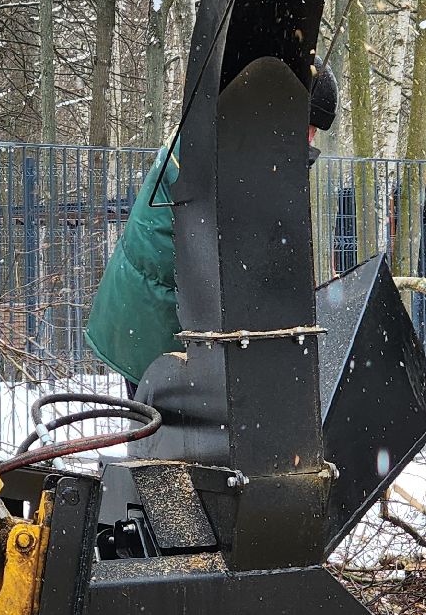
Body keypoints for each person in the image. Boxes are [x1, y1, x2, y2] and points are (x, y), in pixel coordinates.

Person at [85, 62, 339, 387]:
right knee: (162, 428)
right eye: (309, 126)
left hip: (154, 316)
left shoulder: (229, 132)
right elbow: (235, 254)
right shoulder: (221, 151)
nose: (310, 137)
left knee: (166, 428)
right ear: (283, 111)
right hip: (152, 319)